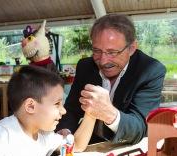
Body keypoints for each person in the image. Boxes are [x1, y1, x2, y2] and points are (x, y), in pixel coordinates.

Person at [56, 14, 166, 144]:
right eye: (97, 51)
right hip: (90, 145)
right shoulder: (85, 66)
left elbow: (140, 127)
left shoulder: (150, 71)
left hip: (127, 146)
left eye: (112, 52)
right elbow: (72, 109)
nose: (103, 61)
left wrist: (109, 113)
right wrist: (65, 131)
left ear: (131, 48)